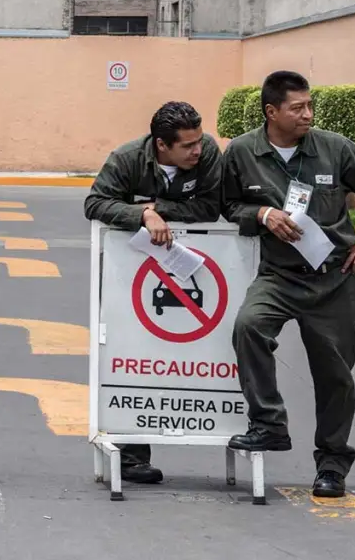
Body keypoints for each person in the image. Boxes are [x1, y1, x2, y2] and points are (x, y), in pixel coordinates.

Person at [220, 70, 355, 498]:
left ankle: (332, 465)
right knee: (249, 326)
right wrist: (263, 215)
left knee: (335, 374)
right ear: (272, 112)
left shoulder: (333, 148)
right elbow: (229, 204)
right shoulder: (243, 152)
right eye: (297, 108)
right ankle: (268, 424)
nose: (308, 115)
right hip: (279, 276)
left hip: (334, 278)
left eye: (309, 106)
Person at [84, 101, 223, 484]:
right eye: (188, 146)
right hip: (132, 272)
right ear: (162, 145)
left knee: (188, 356)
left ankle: (211, 428)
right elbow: (94, 202)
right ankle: (130, 456)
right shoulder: (127, 159)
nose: (198, 150)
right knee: (130, 352)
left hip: (194, 271)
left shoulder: (209, 152)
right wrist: (142, 216)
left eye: (198, 141)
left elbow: (213, 207)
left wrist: (156, 207)